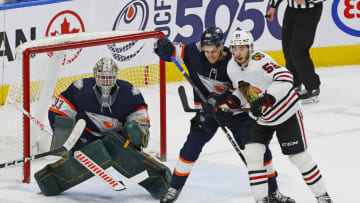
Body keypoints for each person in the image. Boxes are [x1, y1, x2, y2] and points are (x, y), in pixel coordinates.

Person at [155, 27, 294, 203]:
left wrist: (221, 100)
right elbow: (170, 50)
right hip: (207, 113)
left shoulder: (233, 63)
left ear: (222, 47)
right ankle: (174, 188)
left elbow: (242, 90)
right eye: (206, 51)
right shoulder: (192, 52)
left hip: (235, 113)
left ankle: (273, 191)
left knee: (258, 150)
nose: (210, 55)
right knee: (190, 148)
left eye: (214, 51)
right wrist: (161, 46)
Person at [34, 57, 171, 199]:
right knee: (93, 148)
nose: (106, 81)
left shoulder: (130, 93)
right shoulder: (80, 88)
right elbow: (57, 113)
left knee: (115, 142)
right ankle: (51, 180)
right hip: (86, 137)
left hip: (116, 139)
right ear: (95, 75)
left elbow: (140, 118)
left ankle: (158, 180)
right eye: (102, 77)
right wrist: (66, 140)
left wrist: (140, 128)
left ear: (116, 76)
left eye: (110, 77)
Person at [226, 30, 333, 203]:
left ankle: (323, 197)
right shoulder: (231, 67)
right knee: (253, 156)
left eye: (242, 48)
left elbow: (285, 78)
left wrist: (265, 99)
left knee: (299, 158)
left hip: (286, 113)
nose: (238, 53)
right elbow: (242, 88)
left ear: (250, 48)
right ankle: (261, 200)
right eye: (235, 48)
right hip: (261, 118)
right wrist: (228, 104)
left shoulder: (261, 61)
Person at [266, 0, 325, 103]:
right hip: (291, 10)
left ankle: (313, 88)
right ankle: (294, 84)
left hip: (309, 12)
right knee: (288, 49)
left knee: (298, 52)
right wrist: (273, 6)